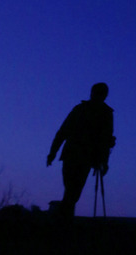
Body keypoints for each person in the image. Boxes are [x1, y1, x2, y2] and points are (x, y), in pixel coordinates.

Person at [47, 82, 116, 218]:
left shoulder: (100, 113)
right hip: (78, 156)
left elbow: (105, 140)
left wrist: (104, 161)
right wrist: (52, 152)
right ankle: (63, 221)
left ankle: (63, 221)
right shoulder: (83, 110)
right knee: (72, 192)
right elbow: (63, 132)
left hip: (82, 157)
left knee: (72, 192)